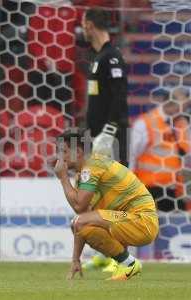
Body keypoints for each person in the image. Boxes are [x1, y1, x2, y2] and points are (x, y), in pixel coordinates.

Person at [54, 129, 158, 280]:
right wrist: (76, 259)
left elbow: (79, 207)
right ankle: (121, 262)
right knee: (83, 226)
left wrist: (63, 178)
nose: (59, 157)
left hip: (142, 221)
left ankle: (128, 264)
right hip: (125, 220)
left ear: (77, 152)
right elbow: (82, 218)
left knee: (80, 222)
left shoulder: (92, 166)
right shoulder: (83, 174)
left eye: (63, 151)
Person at [130, 89, 191, 211]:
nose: (185, 110)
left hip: (174, 190)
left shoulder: (181, 124)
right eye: (184, 106)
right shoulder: (144, 123)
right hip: (149, 190)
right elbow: (131, 157)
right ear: (171, 105)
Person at [81, 8, 129, 164]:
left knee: (116, 187)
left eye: (82, 25)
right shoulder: (98, 57)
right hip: (97, 138)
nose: (82, 30)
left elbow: (120, 95)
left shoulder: (112, 56)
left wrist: (109, 132)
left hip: (110, 140)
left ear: (89, 25)